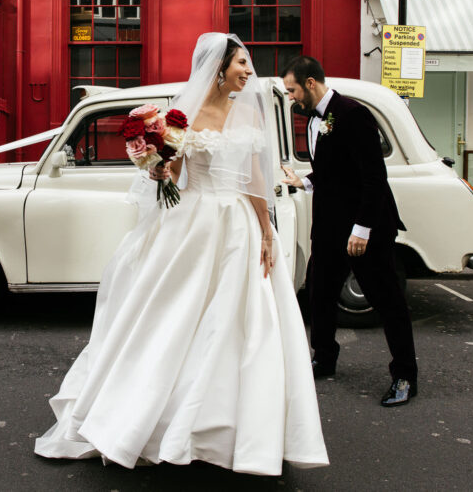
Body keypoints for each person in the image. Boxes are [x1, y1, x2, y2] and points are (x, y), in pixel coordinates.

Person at [35, 33, 328, 475]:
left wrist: (267, 231)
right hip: (191, 220)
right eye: (242, 63)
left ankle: (231, 428)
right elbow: (172, 175)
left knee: (240, 322)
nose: (249, 71)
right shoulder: (181, 114)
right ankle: (154, 418)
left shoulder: (249, 112)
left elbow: (253, 182)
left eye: (248, 64)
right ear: (218, 67)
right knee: (172, 317)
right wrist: (153, 163)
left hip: (236, 227)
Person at [280, 56, 418, 407]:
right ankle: (324, 359)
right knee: (319, 294)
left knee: (387, 301)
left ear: (311, 83)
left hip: (365, 226)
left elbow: (373, 177)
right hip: (328, 225)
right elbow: (334, 171)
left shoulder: (353, 114)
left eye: (293, 90)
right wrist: (305, 180)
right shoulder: (315, 120)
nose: (291, 97)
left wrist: (362, 229)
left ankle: (404, 375)